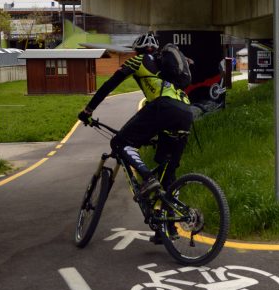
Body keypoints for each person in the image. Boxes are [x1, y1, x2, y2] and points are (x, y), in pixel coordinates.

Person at [78, 32, 194, 203]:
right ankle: (170, 220)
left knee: (120, 142)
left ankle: (147, 178)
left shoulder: (138, 59)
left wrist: (88, 110)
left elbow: (109, 85)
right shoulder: (167, 69)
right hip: (186, 111)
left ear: (137, 50)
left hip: (164, 106)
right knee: (167, 169)